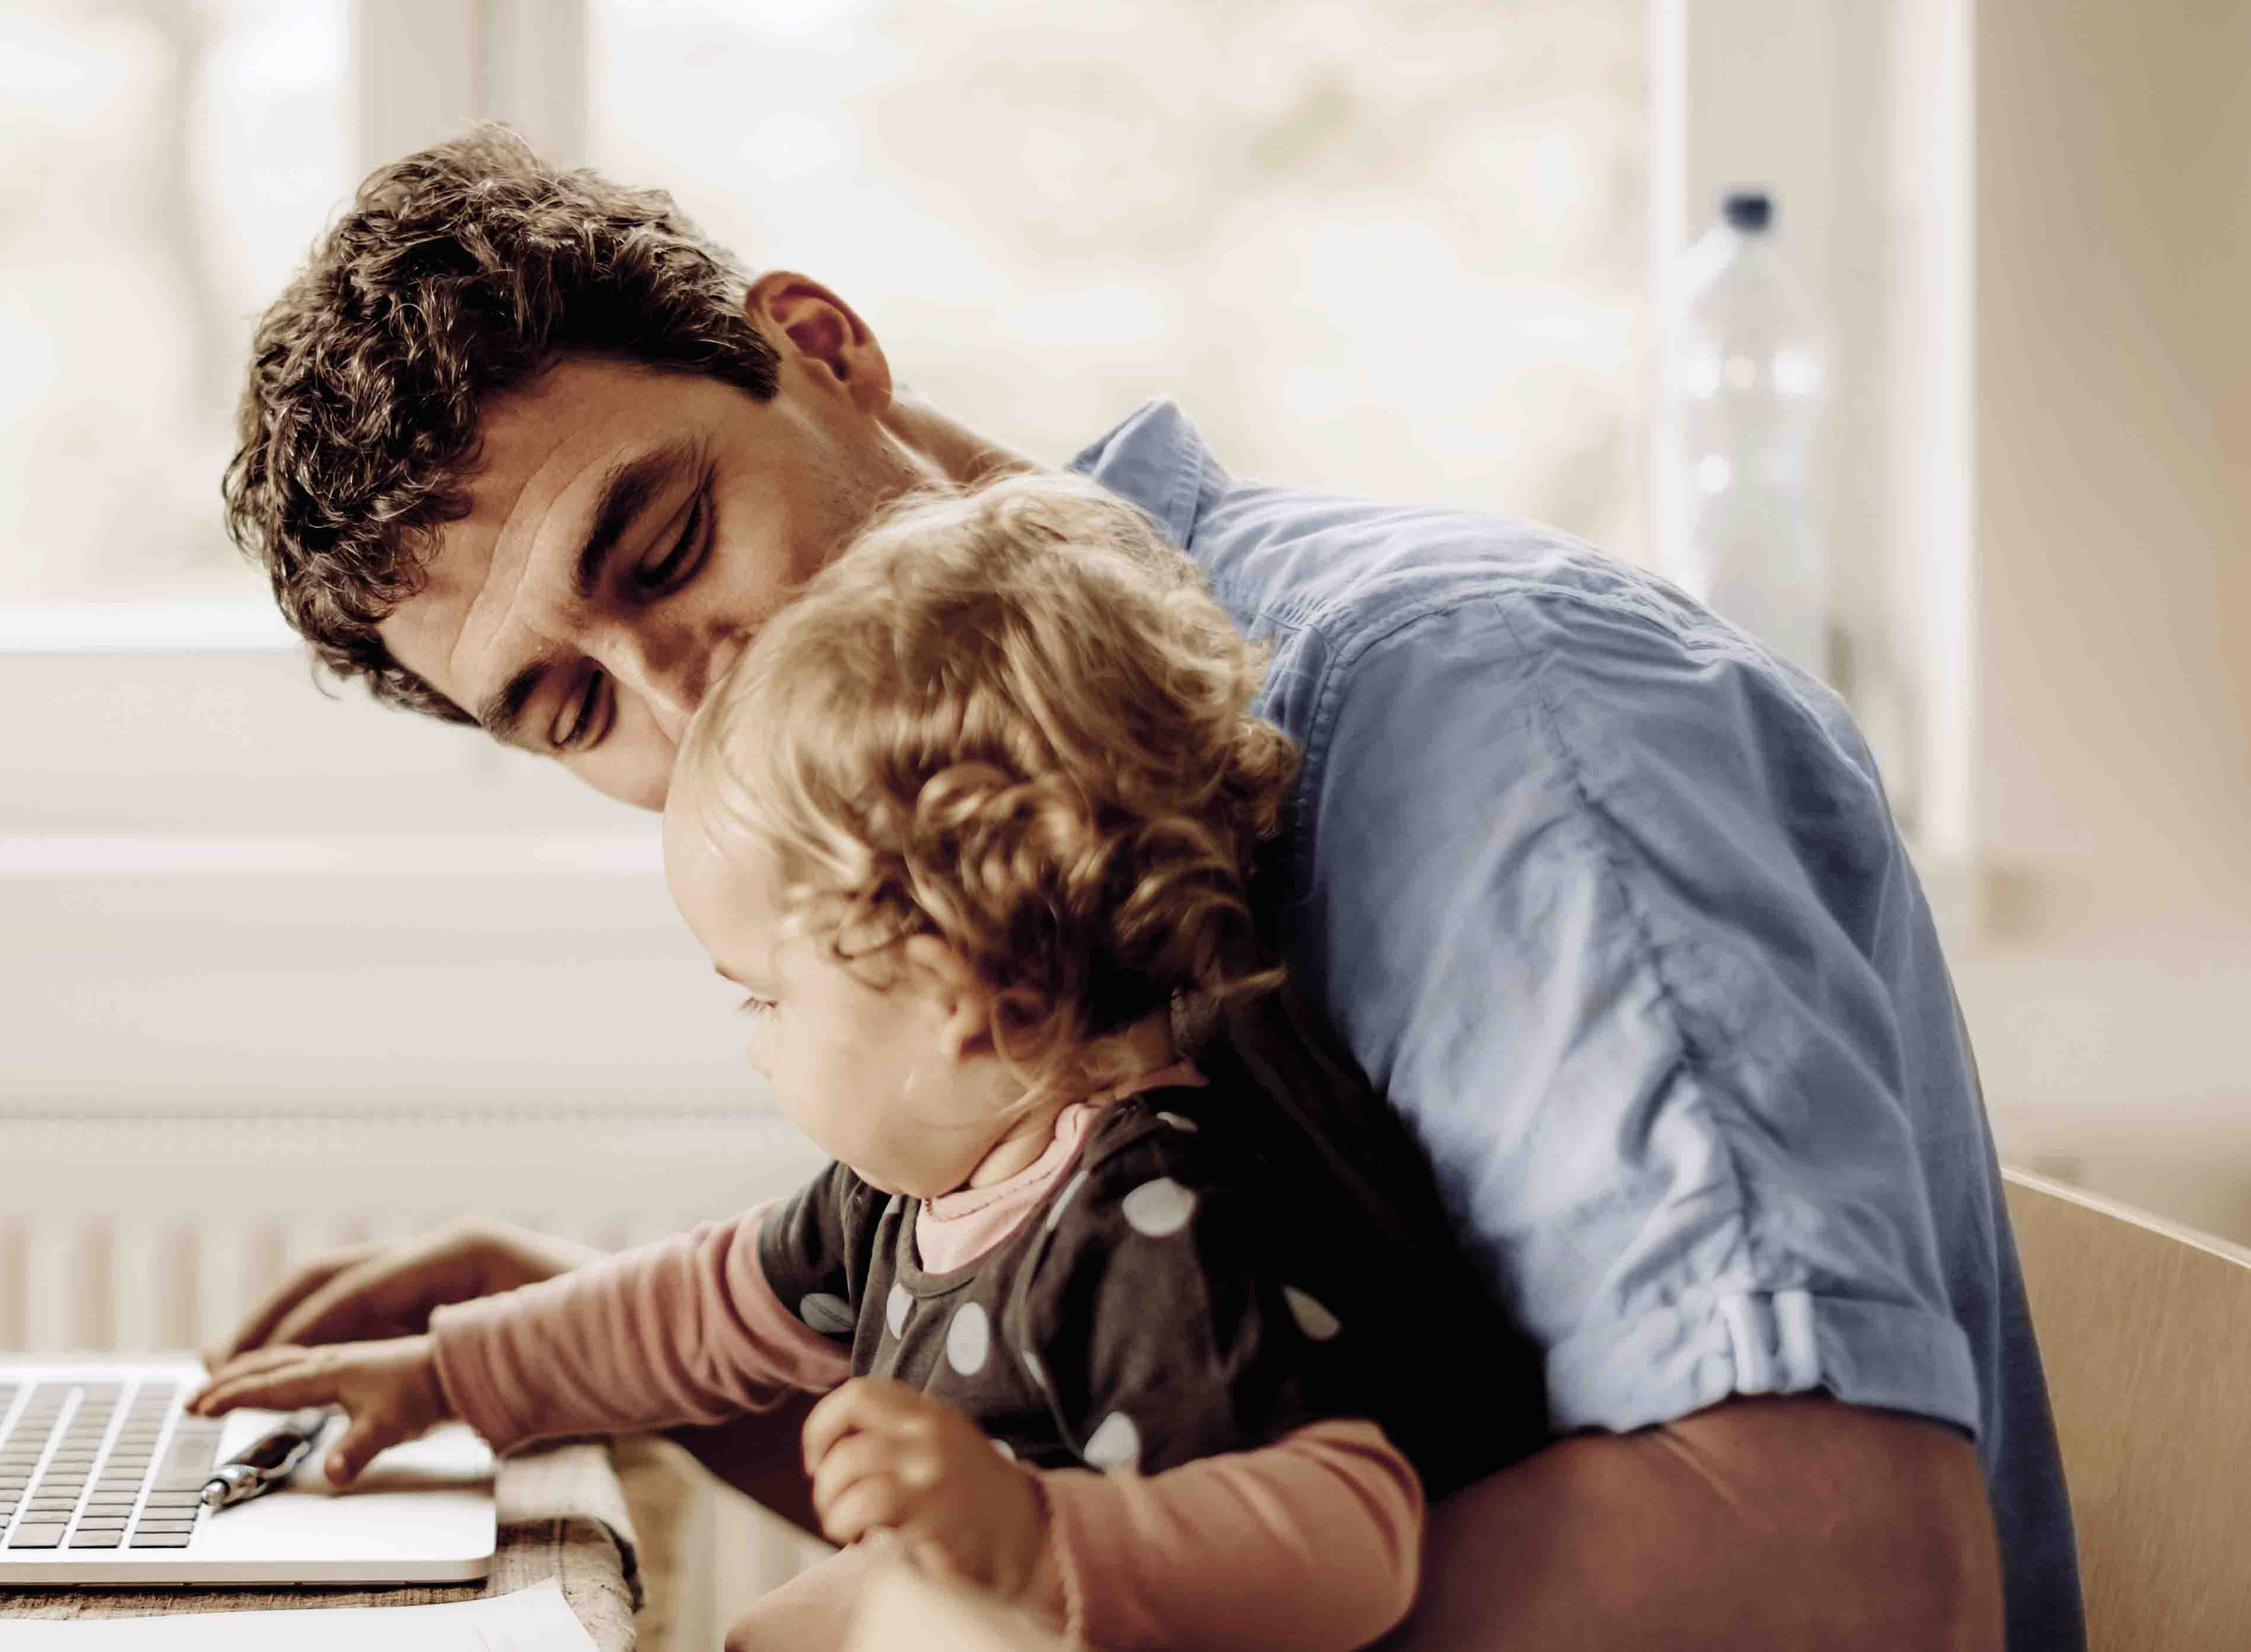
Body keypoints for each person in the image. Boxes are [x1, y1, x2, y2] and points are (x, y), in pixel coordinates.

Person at [211, 127, 2075, 1651]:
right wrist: (567, 1350)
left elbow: (1844, 1570)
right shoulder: (960, 863)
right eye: (566, 706)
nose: (684, 697)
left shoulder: (1482, 712)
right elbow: (1124, 1444)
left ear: (822, 347)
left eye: (668, 541)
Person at [190, 474, 1550, 1650]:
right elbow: (695, 1308)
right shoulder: (905, 1197)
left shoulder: (1156, 1226)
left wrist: (1027, 1534)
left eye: (766, 997)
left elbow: (1356, 1534)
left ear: (963, 984)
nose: (757, 1046)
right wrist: (444, 1374)